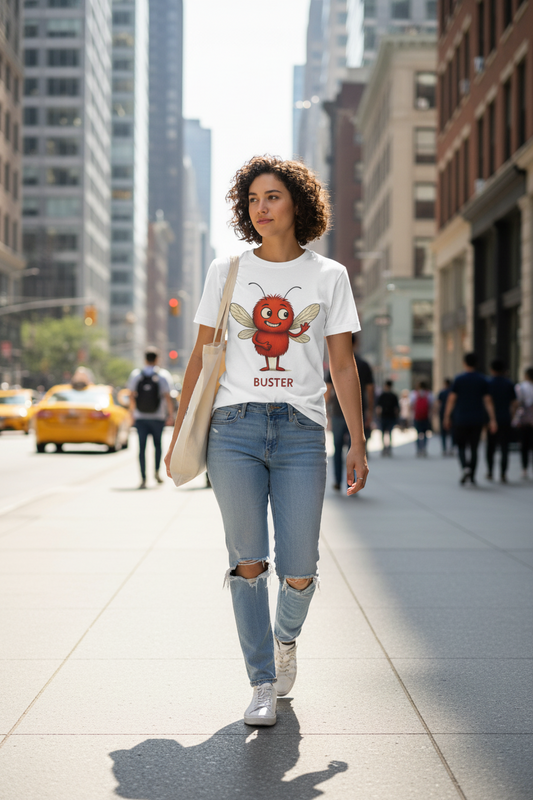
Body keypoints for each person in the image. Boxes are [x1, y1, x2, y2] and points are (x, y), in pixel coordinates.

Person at [164, 155, 369, 728]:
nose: (261, 208)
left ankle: (284, 641)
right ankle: (261, 681)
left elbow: (342, 366)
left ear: (298, 204)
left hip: (302, 430)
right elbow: (200, 357)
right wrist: (180, 431)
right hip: (234, 429)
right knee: (248, 561)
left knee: (300, 567)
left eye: (272, 197)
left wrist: (357, 441)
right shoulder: (225, 270)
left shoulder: (329, 275)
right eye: (253, 199)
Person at [444, 352, 497, 485]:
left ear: (464, 363)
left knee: (461, 446)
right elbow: (488, 401)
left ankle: (465, 468)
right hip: (477, 419)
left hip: (460, 418)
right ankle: (472, 475)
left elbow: (451, 399)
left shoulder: (459, 379)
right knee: (474, 447)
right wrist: (492, 419)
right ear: (477, 363)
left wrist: (447, 416)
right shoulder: (482, 379)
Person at [129, 346, 174, 489]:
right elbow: (168, 397)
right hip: (157, 417)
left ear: (145, 359)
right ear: (157, 359)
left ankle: (143, 478)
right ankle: (157, 473)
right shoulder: (163, 375)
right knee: (157, 446)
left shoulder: (136, 375)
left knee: (141, 448)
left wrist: (132, 414)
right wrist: (170, 415)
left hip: (140, 417)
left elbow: (131, 395)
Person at [486, 359, 517, 483]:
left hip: (491, 420)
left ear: (491, 369)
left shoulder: (488, 383)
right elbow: (514, 403)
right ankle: (503, 473)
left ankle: (490, 471)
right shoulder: (509, 383)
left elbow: (488, 402)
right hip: (505, 419)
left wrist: (491, 419)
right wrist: (512, 416)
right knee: (504, 447)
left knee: (491, 447)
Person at [325, 370, 350, 490]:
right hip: (355, 415)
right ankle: (352, 483)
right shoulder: (362, 365)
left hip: (337, 413)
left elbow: (327, 391)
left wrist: (325, 411)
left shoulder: (333, 366)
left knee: (338, 448)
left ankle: (338, 481)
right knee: (353, 448)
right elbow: (369, 391)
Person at [352, 334, 375, 444]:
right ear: (356, 343)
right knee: (357, 444)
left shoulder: (335, 365)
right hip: (359, 410)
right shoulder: (364, 364)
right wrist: (370, 411)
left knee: (337, 445)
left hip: (338, 411)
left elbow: (328, 388)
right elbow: (370, 391)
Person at [515, 367, 533, 479]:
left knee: (524, 446)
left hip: (524, 420)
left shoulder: (520, 387)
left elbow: (518, 403)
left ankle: (524, 469)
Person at [375, 380, 399, 456]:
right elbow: (396, 409)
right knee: (390, 433)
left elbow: (378, 407)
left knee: (383, 433)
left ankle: (384, 448)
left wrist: (378, 416)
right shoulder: (394, 395)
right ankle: (389, 449)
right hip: (391, 417)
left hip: (384, 416)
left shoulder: (382, 395)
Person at [411, 381, 433, 456]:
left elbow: (411, 406)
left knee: (418, 434)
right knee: (425, 434)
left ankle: (418, 449)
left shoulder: (414, 394)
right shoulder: (429, 394)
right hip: (426, 417)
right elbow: (431, 406)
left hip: (417, 417)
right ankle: (424, 448)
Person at [437, 378, 453, 455]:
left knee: (443, 432)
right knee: (452, 432)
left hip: (443, 413)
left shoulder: (442, 392)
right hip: (453, 414)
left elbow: (438, 403)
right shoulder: (452, 392)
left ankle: (444, 449)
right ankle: (451, 448)